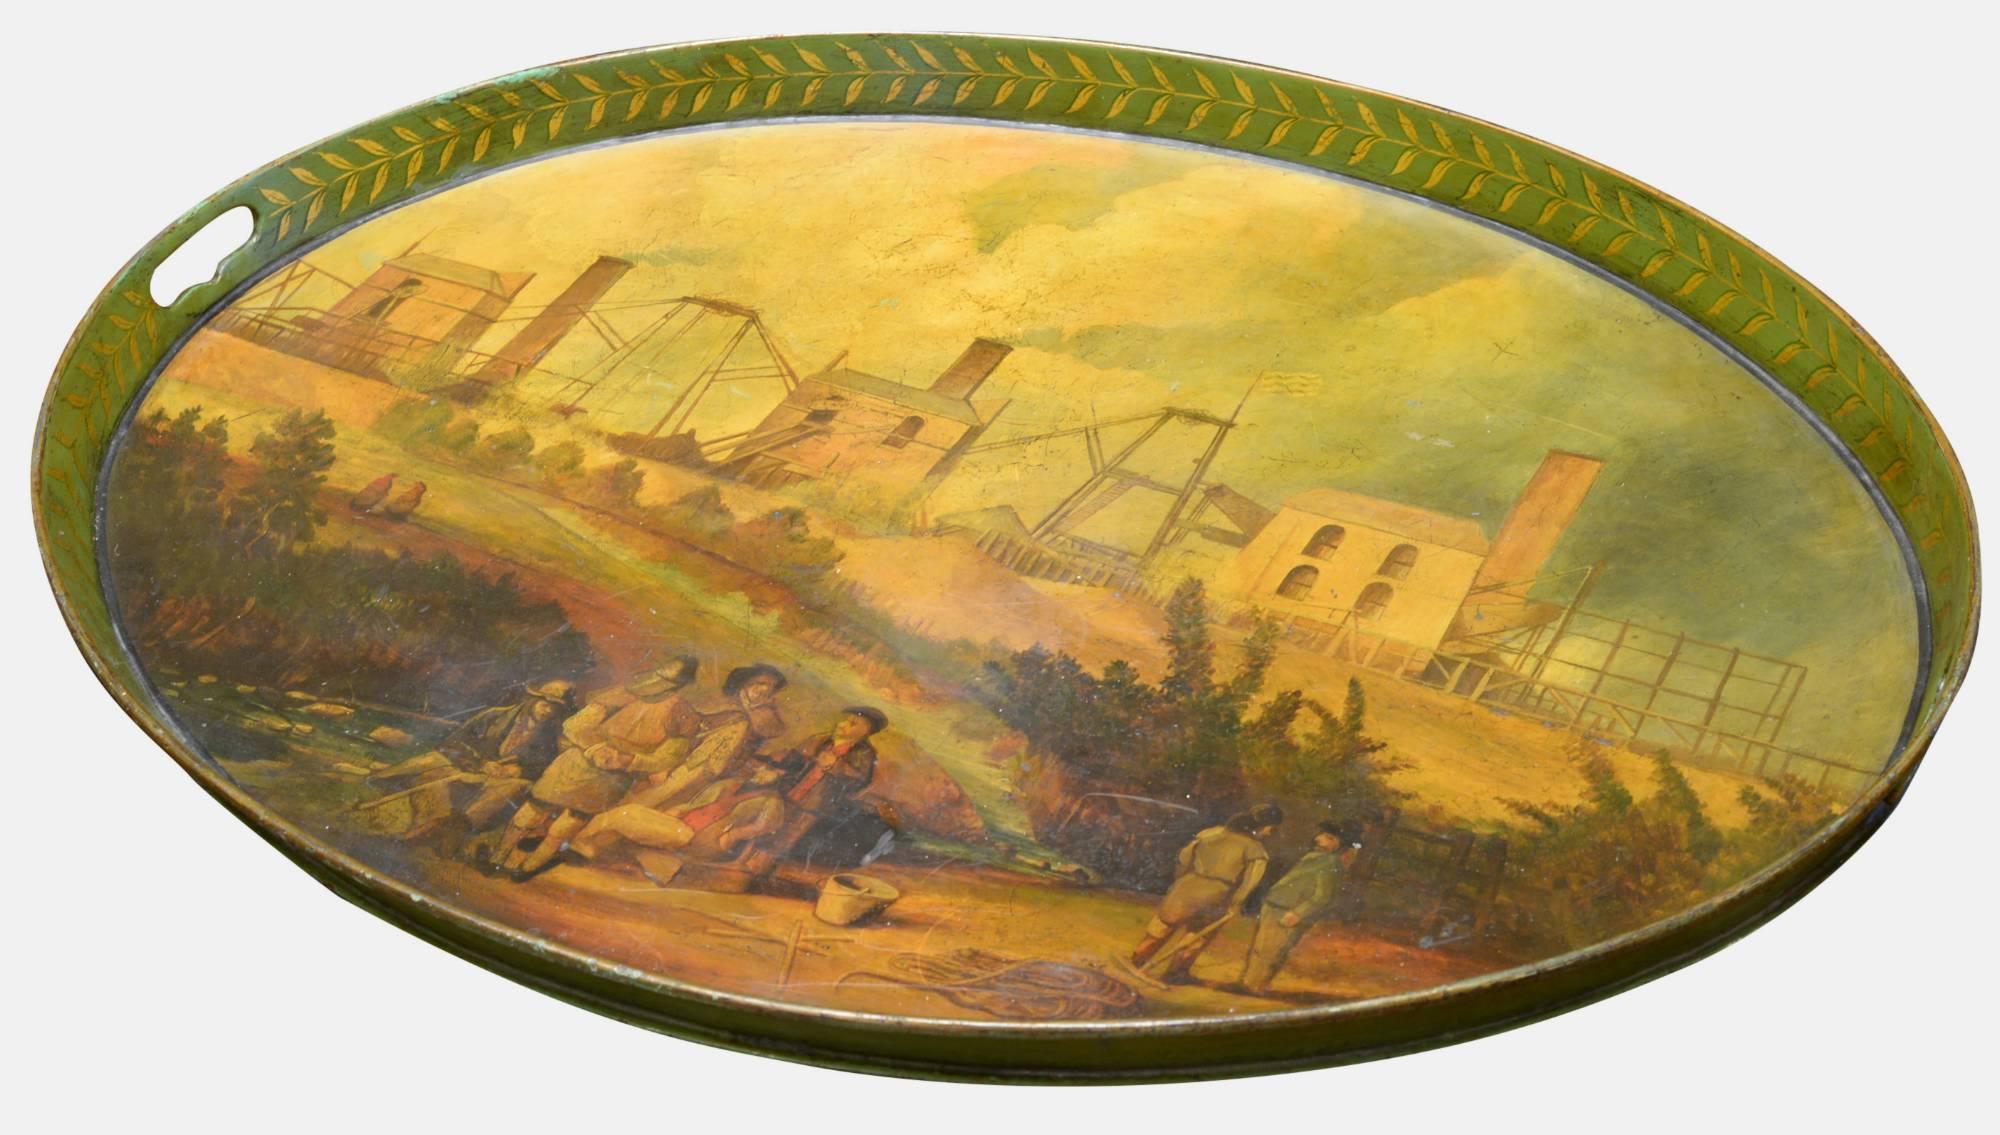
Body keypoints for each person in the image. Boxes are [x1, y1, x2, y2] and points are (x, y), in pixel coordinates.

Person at [491, 657, 702, 876]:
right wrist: (596, 748)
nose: (660, 684)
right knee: (531, 812)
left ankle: (527, 869)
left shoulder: (682, 714)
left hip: (612, 779)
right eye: (661, 675)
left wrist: (630, 760)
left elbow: (669, 756)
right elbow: (575, 725)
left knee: (565, 828)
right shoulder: (620, 695)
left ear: (682, 684)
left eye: (671, 680)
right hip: (576, 764)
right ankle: (498, 857)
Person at [358, 680, 578, 843]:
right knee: (433, 770)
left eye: (555, 708)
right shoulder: (494, 716)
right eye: (545, 704)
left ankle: (456, 827)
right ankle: (411, 810)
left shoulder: (548, 738)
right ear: (532, 700)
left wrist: (518, 770)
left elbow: (544, 768)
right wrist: (480, 764)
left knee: (514, 787)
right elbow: (453, 742)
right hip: (467, 766)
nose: (548, 711)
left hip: (497, 782)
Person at [1129, 803, 1283, 982]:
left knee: (1162, 926)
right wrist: (1236, 902)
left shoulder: (1209, 834)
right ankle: (1175, 973)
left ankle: (1137, 960)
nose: (1270, 834)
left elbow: (1184, 858)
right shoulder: (1256, 851)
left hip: (1187, 885)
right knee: (1197, 936)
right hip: (1217, 894)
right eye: (1270, 829)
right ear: (1262, 827)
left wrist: (1182, 879)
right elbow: (1250, 882)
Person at [1240, 819, 1363, 993]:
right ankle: (1250, 983)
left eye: (1327, 837)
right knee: (1261, 948)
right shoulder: (1316, 857)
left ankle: (1254, 986)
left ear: (1337, 844)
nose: (1318, 838)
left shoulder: (1330, 863)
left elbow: (1323, 896)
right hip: (1275, 906)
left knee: (1271, 951)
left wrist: (1298, 913)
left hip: (1288, 912)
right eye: (1321, 834)